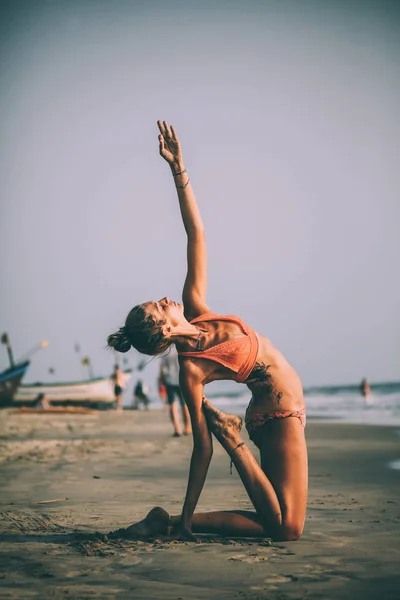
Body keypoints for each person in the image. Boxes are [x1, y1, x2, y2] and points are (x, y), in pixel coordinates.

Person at [107, 121, 307, 542]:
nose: (165, 299)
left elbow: (196, 232)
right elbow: (202, 449)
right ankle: (185, 512)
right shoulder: (190, 372)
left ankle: (169, 523)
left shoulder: (196, 308)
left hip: (272, 413)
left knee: (279, 523)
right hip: (279, 414)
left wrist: (178, 170)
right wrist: (192, 501)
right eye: (158, 306)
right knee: (288, 529)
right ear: (161, 330)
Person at [159, 346, 192, 437]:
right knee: (184, 404)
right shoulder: (181, 347)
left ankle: (177, 429)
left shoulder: (165, 350)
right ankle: (187, 427)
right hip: (182, 379)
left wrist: (161, 379)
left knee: (172, 404)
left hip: (169, 380)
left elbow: (162, 367)